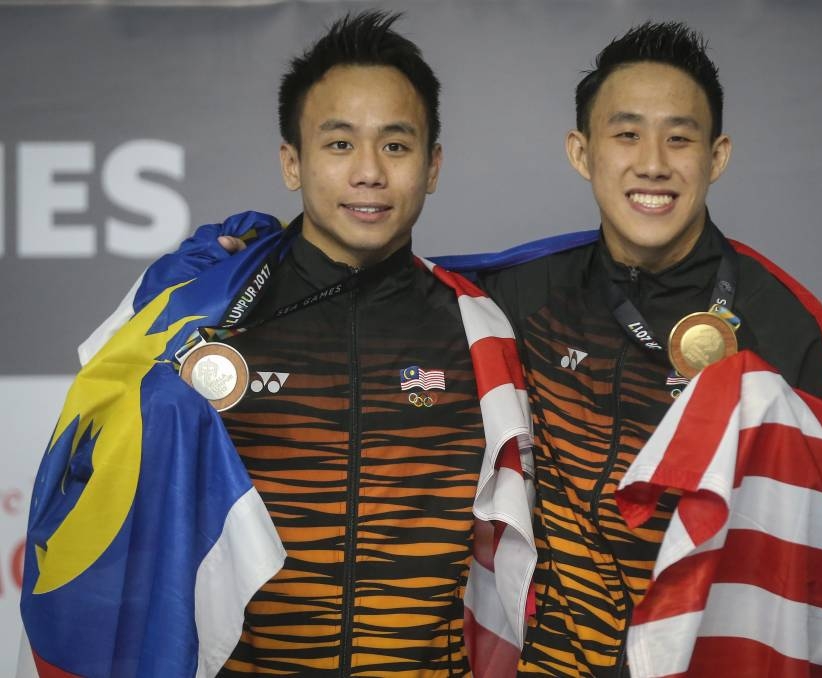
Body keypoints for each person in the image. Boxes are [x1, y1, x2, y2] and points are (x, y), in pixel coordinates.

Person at [19, 11, 533, 678]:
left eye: (396, 146)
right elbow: (90, 490)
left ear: (432, 165)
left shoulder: (482, 329)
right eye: (339, 144)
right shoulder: (204, 318)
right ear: (293, 162)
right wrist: (165, 319)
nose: (369, 172)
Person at [455, 21, 822, 677]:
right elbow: (379, 299)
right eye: (626, 134)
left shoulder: (783, 325)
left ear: (716, 156)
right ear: (582, 152)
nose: (653, 163)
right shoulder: (518, 297)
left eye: (679, 138)